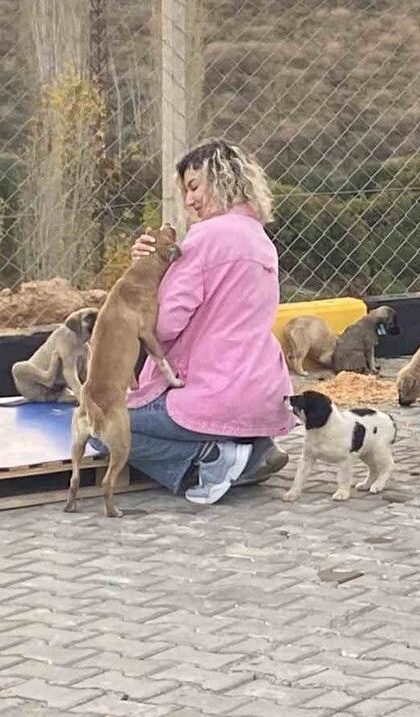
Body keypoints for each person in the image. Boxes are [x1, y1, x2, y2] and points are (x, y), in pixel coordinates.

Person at [116, 138, 293, 504]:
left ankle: (211, 457)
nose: (189, 201)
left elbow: (162, 327)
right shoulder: (260, 239)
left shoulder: (205, 238)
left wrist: (143, 272)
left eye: (194, 187)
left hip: (214, 396)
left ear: (221, 179)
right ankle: (251, 445)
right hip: (265, 393)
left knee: (104, 426)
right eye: (185, 191)